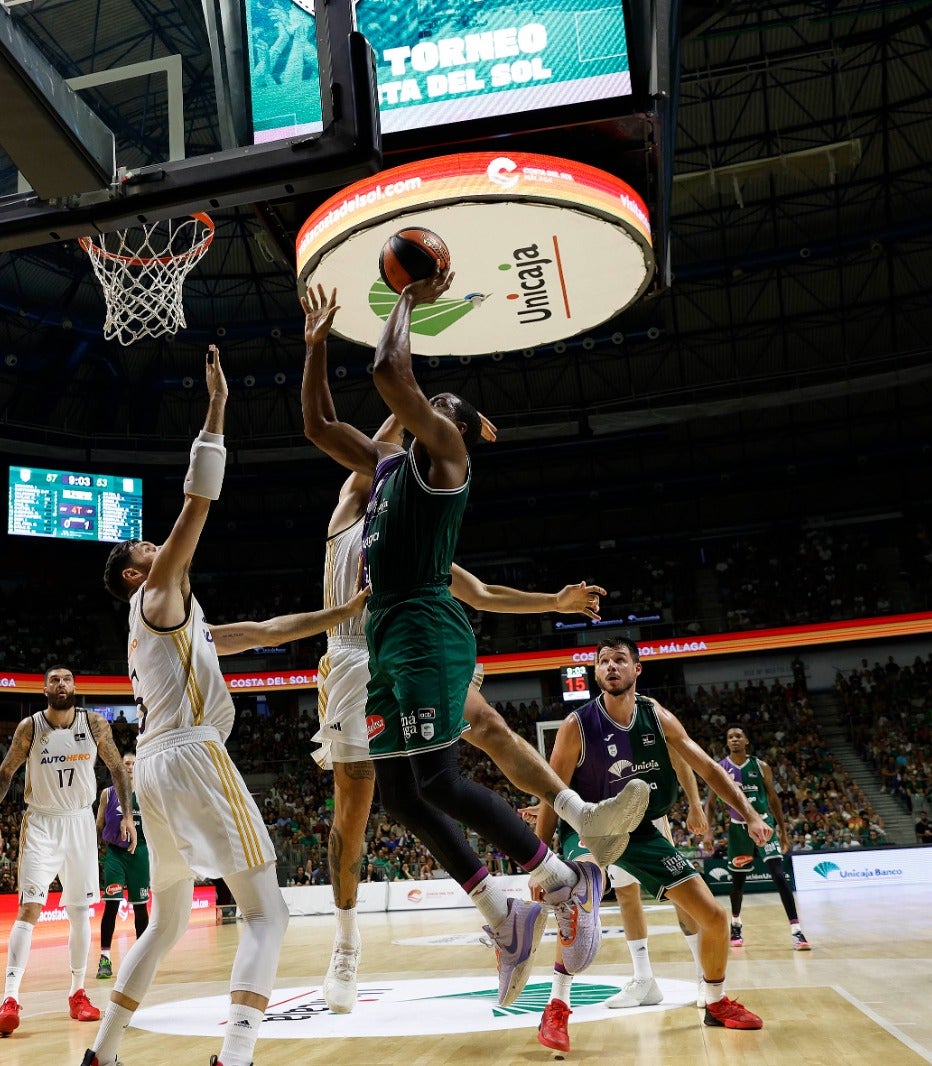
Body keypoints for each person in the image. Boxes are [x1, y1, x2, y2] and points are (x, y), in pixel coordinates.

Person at [297, 276, 622, 1010]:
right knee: (404, 799)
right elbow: (318, 425)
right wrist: (314, 348)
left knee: (444, 775)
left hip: (424, 633)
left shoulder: (446, 457)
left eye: (443, 406)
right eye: (430, 403)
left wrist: (406, 297)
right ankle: (507, 917)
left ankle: (564, 878)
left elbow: (389, 374)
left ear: (457, 429)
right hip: (385, 643)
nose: (429, 406)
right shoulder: (384, 473)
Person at [82, 346, 368, 1066]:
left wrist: (341, 611)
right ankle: (234, 1057)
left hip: (154, 763)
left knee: (167, 920)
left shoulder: (178, 620)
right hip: (190, 755)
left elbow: (264, 632)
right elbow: (198, 504)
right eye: (146, 545)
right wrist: (215, 411)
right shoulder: (156, 593)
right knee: (268, 912)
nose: (158, 544)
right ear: (133, 570)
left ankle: (102, 1053)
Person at [532, 637, 772, 1052]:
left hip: (641, 830)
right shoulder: (577, 725)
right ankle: (556, 1006)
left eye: (619, 660)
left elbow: (708, 768)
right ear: (596, 672)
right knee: (578, 904)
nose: (610, 667)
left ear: (637, 669)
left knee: (713, 917)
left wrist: (749, 813)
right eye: (603, 661)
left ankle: (715, 1002)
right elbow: (550, 793)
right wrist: (538, 863)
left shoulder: (657, 716)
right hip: (588, 827)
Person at [0, 665, 134, 1035]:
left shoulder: (95, 723)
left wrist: (127, 815)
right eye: (54, 679)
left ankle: (78, 991)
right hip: (42, 823)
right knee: (29, 907)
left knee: (80, 911)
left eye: (67, 679)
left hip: (80, 821)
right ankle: (10, 997)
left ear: (75, 686)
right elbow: (5, 774)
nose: (61, 684)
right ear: (44, 689)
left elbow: (117, 768)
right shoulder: (30, 727)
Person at [719, 725, 809, 950]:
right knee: (738, 884)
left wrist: (783, 830)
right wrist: (710, 830)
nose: (734, 740)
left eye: (738, 736)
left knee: (779, 876)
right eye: (730, 737)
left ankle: (797, 931)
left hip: (764, 825)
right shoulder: (720, 767)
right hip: (739, 829)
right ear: (727, 742)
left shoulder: (761, 766)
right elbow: (711, 802)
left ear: (746, 740)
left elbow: (774, 799)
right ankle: (736, 923)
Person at [96, 751, 149, 980]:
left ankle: (142, 959)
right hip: (115, 854)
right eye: (126, 763)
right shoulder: (108, 794)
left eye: (133, 764)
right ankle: (105, 958)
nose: (129, 767)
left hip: (140, 854)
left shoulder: (147, 794)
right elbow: (98, 824)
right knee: (111, 906)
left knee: (140, 908)